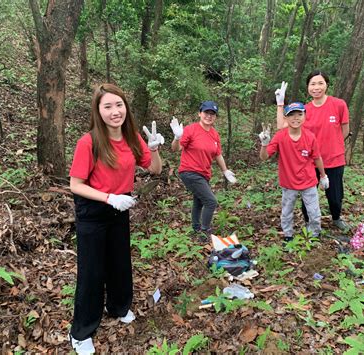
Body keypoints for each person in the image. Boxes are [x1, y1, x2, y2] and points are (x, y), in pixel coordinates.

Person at [68, 83, 163, 354]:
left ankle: (119, 307)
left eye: (118, 105)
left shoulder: (132, 136)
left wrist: (154, 149)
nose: (114, 111)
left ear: (126, 107)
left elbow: (155, 170)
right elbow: (75, 184)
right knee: (92, 270)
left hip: (120, 208)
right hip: (93, 210)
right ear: (98, 111)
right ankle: (81, 332)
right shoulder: (89, 142)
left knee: (120, 262)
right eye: (107, 106)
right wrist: (109, 197)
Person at [275, 71, 350, 231]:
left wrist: (334, 145)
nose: (317, 87)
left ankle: (336, 218)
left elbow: (344, 130)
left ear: (327, 85)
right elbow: (281, 126)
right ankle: (309, 223)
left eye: (320, 83)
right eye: (313, 84)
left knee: (335, 197)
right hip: (309, 162)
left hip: (334, 159)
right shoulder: (304, 110)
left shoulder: (338, 104)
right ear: (308, 87)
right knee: (307, 197)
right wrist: (280, 104)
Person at [260, 102, 329, 242]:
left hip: (308, 181)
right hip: (288, 182)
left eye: (299, 114)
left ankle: (313, 235)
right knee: (286, 212)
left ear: (305, 116)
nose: (295, 118)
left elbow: (317, 158)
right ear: (285, 118)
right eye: (291, 115)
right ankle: (288, 235)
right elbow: (264, 157)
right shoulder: (280, 136)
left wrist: (323, 176)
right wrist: (264, 144)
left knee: (314, 213)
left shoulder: (310, 137)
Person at [170, 101, 237, 239]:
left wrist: (225, 171)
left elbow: (217, 154)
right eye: (206, 113)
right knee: (211, 201)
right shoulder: (191, 129)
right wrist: (177, 138)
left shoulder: (214, 134)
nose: (209, 116)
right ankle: (204, 231)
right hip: (189, 172)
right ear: (200, 113)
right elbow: (176, 149)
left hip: (204, 174)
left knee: (199, 201)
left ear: (216, 117)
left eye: (213, 114)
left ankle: (196, 228)